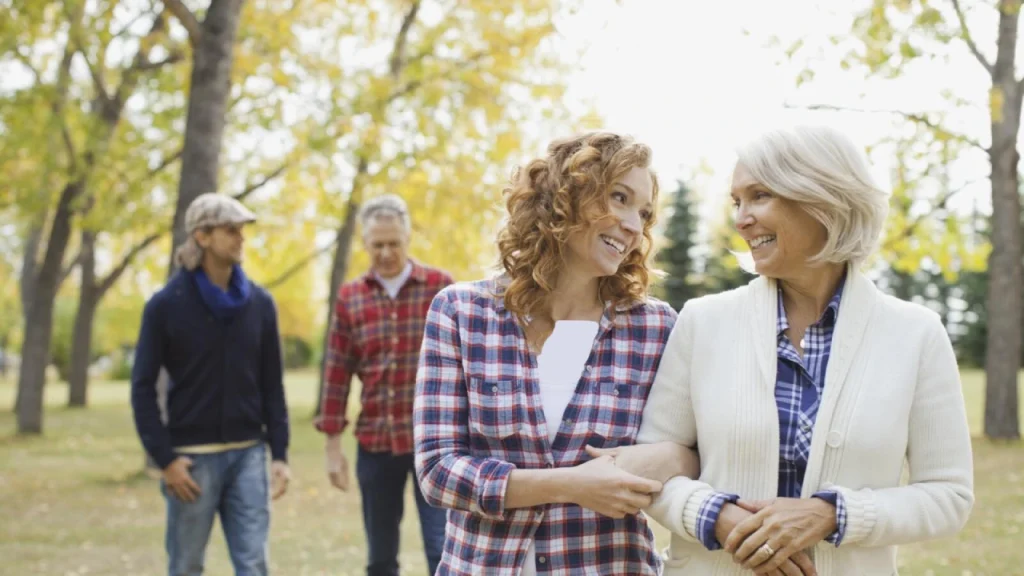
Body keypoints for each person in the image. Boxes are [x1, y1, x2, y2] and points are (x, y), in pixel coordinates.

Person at [601, 125, 974, 575]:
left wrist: (831, 514)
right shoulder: (703, 322)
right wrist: (719, 517)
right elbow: (654, 468)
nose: (740, 219)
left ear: (823, 198)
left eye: (760, 196)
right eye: (737, 202)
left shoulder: (916, 334)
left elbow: (948, 496)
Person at [413, 132, 700, 575]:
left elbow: (697, 448)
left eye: (643, 214)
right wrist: (571, 485)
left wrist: (675, 458)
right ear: (564, 197)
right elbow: (437, 471)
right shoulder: (460, 313)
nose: (633, 225)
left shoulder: (655, 327)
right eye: (619, 198)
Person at [131, 192, 291, 576]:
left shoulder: (260, 303)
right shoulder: (165, 305)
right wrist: (165, 460)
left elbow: (272, 383)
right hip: (192, 461)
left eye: (242, 231)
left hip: (249, 455)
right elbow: (141, 387)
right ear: (201, 237)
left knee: (254, 565)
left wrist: (281, 454)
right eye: (230, 230)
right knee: (186, 565)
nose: (241, 239)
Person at [315, 194, 454, 576]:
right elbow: (337, 373)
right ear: (365, 243)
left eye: (394, 243)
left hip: (436, 444)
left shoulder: (440, 288)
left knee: (442, 547)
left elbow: (465, 366)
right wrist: (331, 448)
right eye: (378, 245)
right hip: (376, 442)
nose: (387, 252)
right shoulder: (351, 297)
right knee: (380, 556)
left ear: (407, 239)